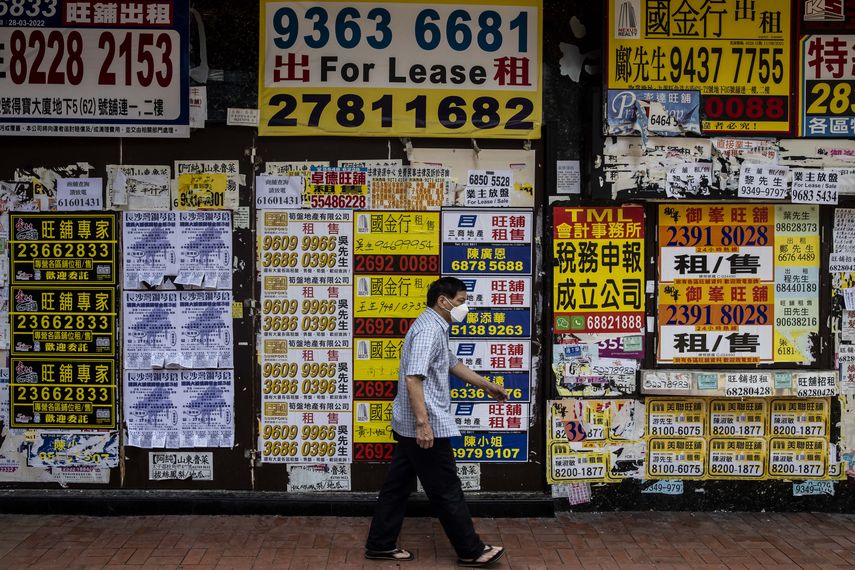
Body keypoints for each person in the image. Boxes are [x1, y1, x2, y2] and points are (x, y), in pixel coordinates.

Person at [365, 277, 509, 567]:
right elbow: (413, 376)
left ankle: (380, 543)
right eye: (460, 301)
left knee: (397, 486)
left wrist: (486, 385)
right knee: (446, 488)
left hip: (410, 424)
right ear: (443, 301)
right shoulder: (430, 329)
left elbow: (451, 363)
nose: (464, 307)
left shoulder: (434, 326)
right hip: (424, 425)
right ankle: (471, 550)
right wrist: (423, 423)